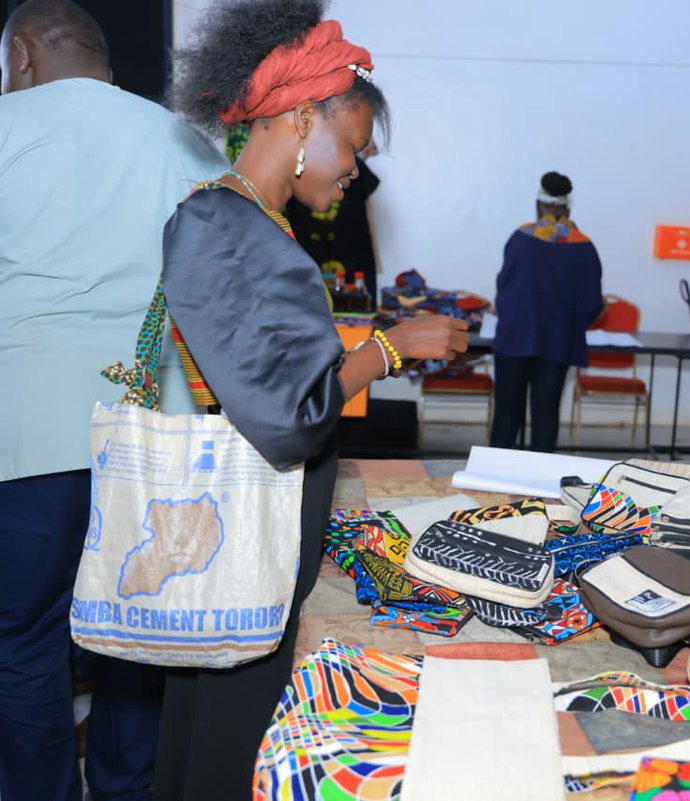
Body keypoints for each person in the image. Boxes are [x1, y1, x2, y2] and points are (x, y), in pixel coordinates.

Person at [159, 0, 467, 796]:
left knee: (216, 730)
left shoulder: (257, 225)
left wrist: (371, 347)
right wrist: (389, 349)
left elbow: (271, 368)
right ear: (301, 119)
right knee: (223, 744)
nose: (356, 169)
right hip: (241, 540)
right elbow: (288, 417)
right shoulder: (226, 226)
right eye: (353, 147)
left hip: (251, 537)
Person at [0, 2, 228, 800]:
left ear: (21, 56)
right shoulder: (184, 140)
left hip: (22, 439)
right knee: (139, 634)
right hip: (150, 435)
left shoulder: (6, 129)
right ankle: (130, 788)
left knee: (22, 642)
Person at [490, 171, 604, 452]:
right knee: (545, 414)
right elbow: (593, 304)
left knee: (507, 413)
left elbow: (504, 287)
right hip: (558, 342)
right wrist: (570, 324)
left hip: (515, 339)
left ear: (539, 205)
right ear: (567, 207)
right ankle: (539, 485)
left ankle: (491, 481)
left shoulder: (521, 238)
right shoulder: (583, 246)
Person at [286, 142, 382, 302]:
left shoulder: (353, 165)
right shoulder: (293, 168)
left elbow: (367, 214)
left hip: (351, 272)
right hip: (307, 272)